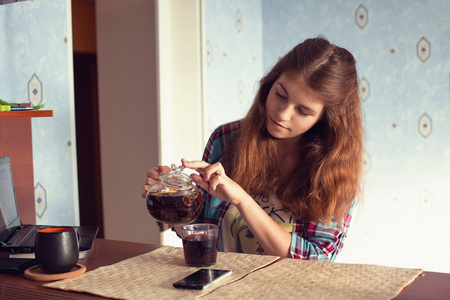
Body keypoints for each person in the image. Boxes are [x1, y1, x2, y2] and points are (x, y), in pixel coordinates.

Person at [143, 36, 364, 261]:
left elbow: (317, 260)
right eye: (280, 95)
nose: (283, 113)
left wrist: (243, 200)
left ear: (326, 120)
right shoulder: (226, 140)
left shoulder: (332, 172)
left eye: (303, 111)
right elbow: (201, 232)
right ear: (270, 83)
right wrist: (173, 205)